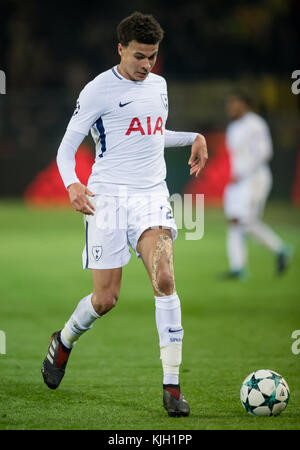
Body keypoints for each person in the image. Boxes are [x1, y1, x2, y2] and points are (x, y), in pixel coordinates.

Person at [41, 11, 208, 417]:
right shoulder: (98, 90)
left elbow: (151, 134)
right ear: (120, 49)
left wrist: (195, 137)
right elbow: (66, 148)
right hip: (109, 199)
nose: (146, 65)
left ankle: (172, 387)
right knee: (105, 299)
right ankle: (63, 340)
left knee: (164, 277)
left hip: (151, 196)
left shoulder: (159, 86)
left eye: (152, 57)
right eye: (138, 56)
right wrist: (72, 184)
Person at [222, 91, 291, 280]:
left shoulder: (255, 124)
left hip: (255, 178)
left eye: (233, 103)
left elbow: (264, 152)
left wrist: (243, 172)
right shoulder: (234, 127)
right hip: (238, 180)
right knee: (236, 221)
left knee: (245, 220)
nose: (230, 108)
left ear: (244, 104)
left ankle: (280, 250)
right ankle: (238, 267)